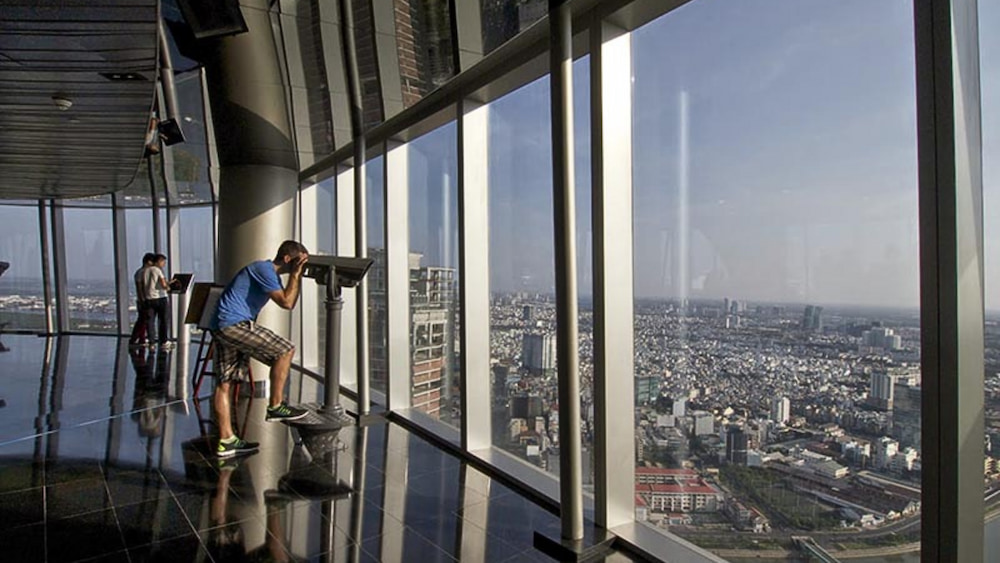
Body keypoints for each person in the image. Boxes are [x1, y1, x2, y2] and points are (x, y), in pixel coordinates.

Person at [210, 240, 310, 457]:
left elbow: (289, 300)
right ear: (287, 259)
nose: (299, 266)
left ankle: (226, 440)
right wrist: (295, 275)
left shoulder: (263, 271)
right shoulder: (264, 270)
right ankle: (276, 405)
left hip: (221, 325)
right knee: (285, 350)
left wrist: (296, 275)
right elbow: (287, 302)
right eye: (298, 261)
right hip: (233, 324)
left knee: (224, 384)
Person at [143, 253, 172, 349]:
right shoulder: (158, 270)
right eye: (163, 262)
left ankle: (151, 342)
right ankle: (163, 341)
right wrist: (168, 287)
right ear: (159, 261)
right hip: (160, 298)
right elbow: (163, 285)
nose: (164, 264)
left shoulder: (145, 271)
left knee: (150, 321)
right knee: (163, 320)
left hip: (149, 298)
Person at [129, 253, 155, 347]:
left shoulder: (139, 272)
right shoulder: (143, 273)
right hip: (144, 300)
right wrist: (143, 300)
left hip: (142, 300)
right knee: (143, 320)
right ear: (148, 261)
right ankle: (135, 339)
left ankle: (141, 339)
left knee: (143, 320)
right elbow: (140, 288)